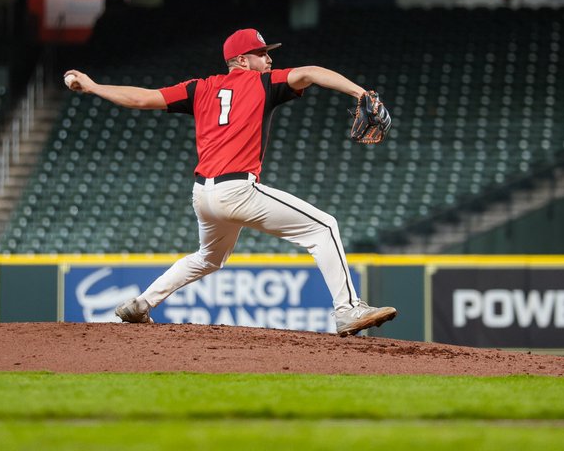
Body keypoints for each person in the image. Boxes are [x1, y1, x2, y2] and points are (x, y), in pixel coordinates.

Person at [62, 28, 397, 337]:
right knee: (323, 227)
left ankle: (141, 304)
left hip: (203, 196)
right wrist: (359, 92)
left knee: (209, 257)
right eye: (262, 53)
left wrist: (91, 86)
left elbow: (140, 98)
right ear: (241, 60)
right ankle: (348, 310)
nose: (269, 59)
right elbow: (310, 73)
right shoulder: (263, 84)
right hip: (237, 190)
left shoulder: (199, 88)